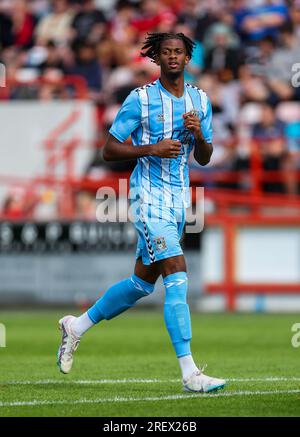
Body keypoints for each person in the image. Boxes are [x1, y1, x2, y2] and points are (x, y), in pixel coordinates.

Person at [56, 32, 226, 393]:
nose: (173, 58)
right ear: (158, 58)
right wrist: (150, 148)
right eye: (167, 52)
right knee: (177, 273)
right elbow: (109, 150)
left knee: (141, 284)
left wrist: (201, 137)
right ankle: (190, 373)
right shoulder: (142, 99)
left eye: (179, 52)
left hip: (179, 201)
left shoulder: (200, 100)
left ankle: (76, 326)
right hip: (147, 199)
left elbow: (206, 157)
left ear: (188, 57)